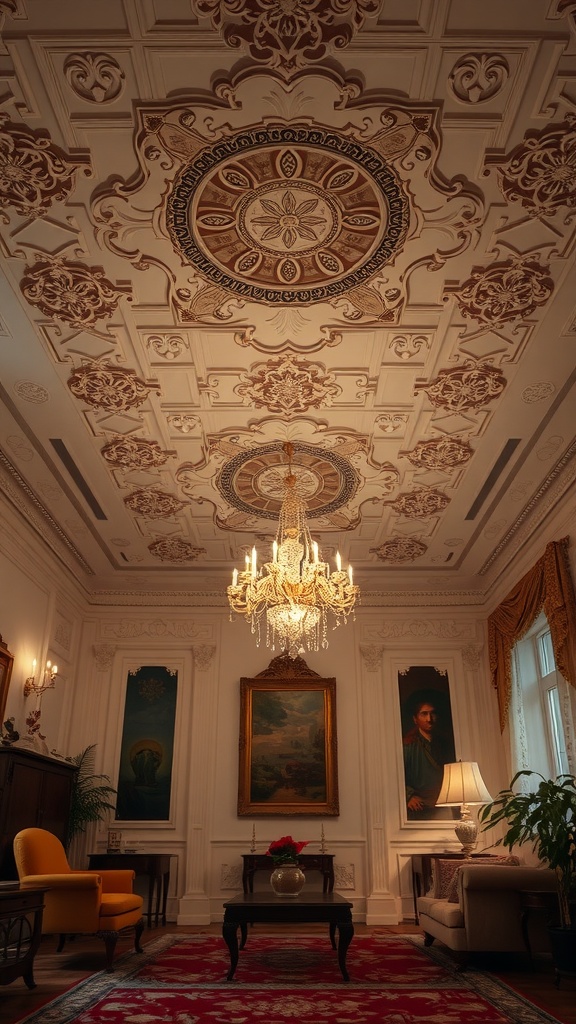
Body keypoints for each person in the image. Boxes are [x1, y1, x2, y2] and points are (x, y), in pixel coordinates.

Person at [402, 690, 454, 819]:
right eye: (424, 714)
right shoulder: (408, 745)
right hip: (420, 806)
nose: (429, 719)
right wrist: (409, 796)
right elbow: (395, 778)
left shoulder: (446, 744)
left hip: (444, 802)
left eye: (432, 714)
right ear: (415, 719)